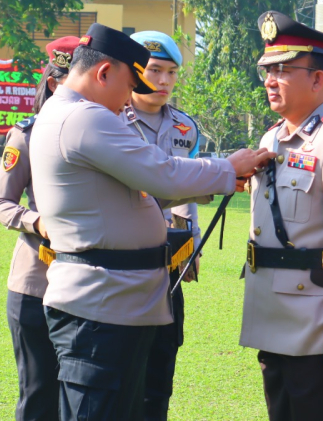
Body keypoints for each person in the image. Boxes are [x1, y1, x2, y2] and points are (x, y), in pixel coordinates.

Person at [28, 23, 274, 421]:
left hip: (109, 301)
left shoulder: (63, 112)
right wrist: (228, 167)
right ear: (104, 73)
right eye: (130, 85)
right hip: (101, 306)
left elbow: (149, 188)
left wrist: (218, 178)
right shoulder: (86, 118)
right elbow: (162, 173)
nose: (130, 98)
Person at [238, 11, 323, 421]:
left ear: (317, 79)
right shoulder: (271, 137)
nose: (270, 80)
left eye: (282, 70)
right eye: (267, 70)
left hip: (317, 326)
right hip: (272, 319)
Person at [0, 36, 79, 421]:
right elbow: (0, 204)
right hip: (36, 282)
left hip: (87, 284)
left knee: (79, 394)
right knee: (39, 390)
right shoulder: (25, 135)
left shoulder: (103, 135)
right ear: (56, 83)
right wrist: (36, 221)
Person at [120, 30, 201, 420]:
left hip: (167, 262)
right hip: (120, 257)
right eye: (155, 70)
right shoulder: (109, 119)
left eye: (171, 72)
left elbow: (189, 188)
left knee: (163, 357)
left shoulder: (187, 128)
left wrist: (192, 244)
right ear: (135, 70)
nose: (164, 81)